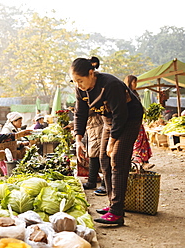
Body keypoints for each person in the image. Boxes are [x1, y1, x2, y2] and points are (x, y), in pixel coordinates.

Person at [71, 56, 143, 225]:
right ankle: (113, 205)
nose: (78, 85)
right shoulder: (80, 89)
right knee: (104, 159)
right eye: (74, 81)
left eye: (80, 80)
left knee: (117, 159)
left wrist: (112, 141)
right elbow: (80, 113)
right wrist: (78, 139)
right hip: (108, 120)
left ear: (91, 73)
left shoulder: (110, 84)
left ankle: (117, 213)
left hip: (129, 119)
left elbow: (121, 115)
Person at [124, 75, 153, 169]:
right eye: (134, 82)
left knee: (143, 141)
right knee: (136, 142)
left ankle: (144, 161)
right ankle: (138, 161)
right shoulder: (126, 93)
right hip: (130, 122)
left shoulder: (135, 94)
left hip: (139, 122)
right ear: (129, 82)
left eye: (136, 82)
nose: (135, 84)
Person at [82, 111, 107, 196]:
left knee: (104, 155)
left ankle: (105, 184)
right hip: (92, 127)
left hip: (100, 125)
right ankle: (91, 181)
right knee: (93, 154)